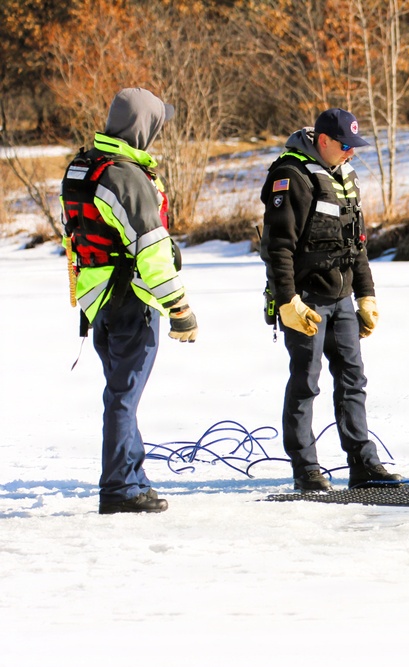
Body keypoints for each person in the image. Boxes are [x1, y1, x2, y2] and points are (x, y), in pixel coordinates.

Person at [61, 87, 197, 515]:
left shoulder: (82, 167)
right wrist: (179, 308)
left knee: (122, 391)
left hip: (97, 299)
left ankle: (133, 479)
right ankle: (119, 488)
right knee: (123, 395)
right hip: (130, 301)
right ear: (144, 127)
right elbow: (152, 250)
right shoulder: (125, 176)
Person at [259, 108, 402, 491]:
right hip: (304, 299)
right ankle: (305, 468)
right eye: (344, 146)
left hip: (340, 298)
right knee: (306, 382)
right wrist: (288, 301)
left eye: (354, 147)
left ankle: (363, 463)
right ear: (322, 141)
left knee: (353, 379)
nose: (350, 153)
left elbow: (357, 244)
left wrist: (366, 295)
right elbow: (278, 248)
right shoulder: (291, 177)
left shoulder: (345, 177)